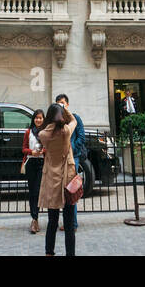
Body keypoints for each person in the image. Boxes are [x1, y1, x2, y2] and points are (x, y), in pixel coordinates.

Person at [37, 101, 78, 256]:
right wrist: (66, 110)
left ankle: (49, 252)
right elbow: (74, 121)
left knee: (52, 221)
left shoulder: (43, 135)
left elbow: (45, 131)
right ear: (60, 116)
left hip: (52, 180)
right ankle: (70, 254)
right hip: (67, 178)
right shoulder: (66, 131)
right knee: (68, 223)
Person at [55, 94, 84, 232]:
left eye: (62, 103)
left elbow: (81, 136)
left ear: (67, 104)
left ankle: (73, 224)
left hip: (73, 158)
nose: (60, 105)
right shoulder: (57, 120)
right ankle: (69, 222)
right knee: (63, 192)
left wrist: (74, 150)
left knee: (71, 190)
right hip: (60, 159)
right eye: (58, 103)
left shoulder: (75, 118)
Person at [22, 108, 46, 234]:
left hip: (42, 163)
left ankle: (39, 217)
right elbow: (24, 149)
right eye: (36, 118)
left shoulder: (47, 132)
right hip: (31, 162)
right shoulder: (28, 132)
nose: (38, 120)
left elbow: (50, 148)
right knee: (33, 191)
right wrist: (32, 152)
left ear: (44, 119)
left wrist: (43, 152)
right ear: (33, 119)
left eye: (40, 118)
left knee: (39, 191)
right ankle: (34, 219)